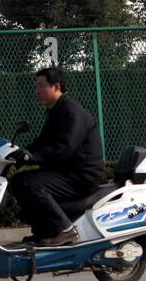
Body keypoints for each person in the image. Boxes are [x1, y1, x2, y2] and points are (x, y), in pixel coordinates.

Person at [7, 66, 105, 246]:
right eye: (36, 87)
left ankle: (64, 230)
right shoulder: (56, 110)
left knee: (30, 183)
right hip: (66, 172)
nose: (37, 91)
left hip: (81, 176)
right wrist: (18, 153)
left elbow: (65, 147)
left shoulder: (71, 112)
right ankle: (43, 233)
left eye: (41, 86)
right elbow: (42, 142)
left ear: (56, 86)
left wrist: (32, 157)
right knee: (19, 180)